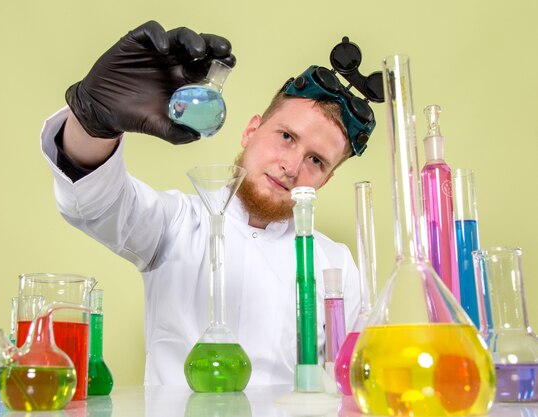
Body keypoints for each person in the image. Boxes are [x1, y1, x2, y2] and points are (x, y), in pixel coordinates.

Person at [40, 20, 373, 386]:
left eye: (316, 161)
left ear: (326, 180)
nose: (291, 167)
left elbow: (351, 383)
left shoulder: (336, 265)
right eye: (287, 136)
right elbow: (95, 202)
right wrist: (94, 120)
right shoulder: (178, 223)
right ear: (251, 131)